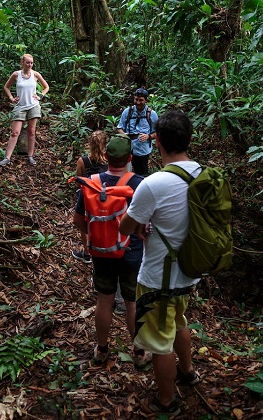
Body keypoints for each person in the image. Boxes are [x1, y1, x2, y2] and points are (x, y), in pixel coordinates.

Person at [119, 110, 201, 417]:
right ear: (189, 139)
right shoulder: (203, 174)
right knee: (178, 320)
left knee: (158, 342)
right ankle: (188, 372)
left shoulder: (154, 184)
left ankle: (166, 401)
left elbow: (125, 227)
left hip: (159, 277)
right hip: (190, 270)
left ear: (158, 141)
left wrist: (141, 221)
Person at [72, 135, 150, 369]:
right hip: (131, 253)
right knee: (131, 302)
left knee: (104, 300)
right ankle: (137, 351)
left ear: (105, 157)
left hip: (101, 251)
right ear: (130, 158)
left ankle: (102, 349)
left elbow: (78, 220)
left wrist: (92, 237)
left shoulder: (92, 182)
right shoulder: (139, 183)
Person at [0, 54, 49, 166]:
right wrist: (11, 98)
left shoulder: (35, 74)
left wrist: (40, 95)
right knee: (15, 132)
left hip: (33, 105)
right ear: (22, 63)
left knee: (31, 132)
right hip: (20, 106)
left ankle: (30, 156)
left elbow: (46, 86)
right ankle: (7, 157)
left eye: (31, 63)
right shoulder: (16, 74)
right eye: (27, 62)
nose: (30, 65)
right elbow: (6, 87)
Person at [71, 130, 108, 265]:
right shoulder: (108, 160)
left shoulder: (83, 160)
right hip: (104, 198)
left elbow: (78, 179)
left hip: (86, 197)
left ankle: (87, 252)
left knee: (84, 223)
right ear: (105, 144)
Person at [116, 88, 158, 177]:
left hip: (142, 151)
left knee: (142, 175)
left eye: (141, 100)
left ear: (146, 100)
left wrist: (148, 136)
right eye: (136, 99)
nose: (138, 102)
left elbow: (158, 133)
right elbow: (119, 128)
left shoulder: (151, 114)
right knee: (125, 175)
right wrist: (124, 135)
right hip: (127, 150)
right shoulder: (127, 112)